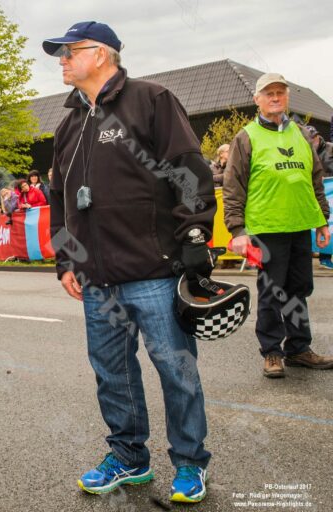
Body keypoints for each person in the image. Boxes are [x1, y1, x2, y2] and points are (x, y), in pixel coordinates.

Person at [43, 21, 217, 503]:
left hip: (154, 272)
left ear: (101, 54)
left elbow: (188, 171)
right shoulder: (68, 124)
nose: (62, 60)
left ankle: (190, 462)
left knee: (177, 371)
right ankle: (128, 458)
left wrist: (194, 236)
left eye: (70, 51)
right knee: (112, 375)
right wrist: (65, 260)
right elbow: (59, 199)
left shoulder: (151, 99)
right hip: (96, 278)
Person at [223, 73, 333, 379]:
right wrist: (237, 230)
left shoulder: (300, 133)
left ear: (287, 97)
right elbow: (233, 186)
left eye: (280, 93)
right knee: (272, 292)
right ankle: (272, 351)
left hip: (300, 224)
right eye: (269, 93)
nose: (275, 98)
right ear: (257, 99)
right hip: (266, 228)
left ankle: (299, 348)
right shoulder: (246, 137)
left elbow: (315, 179)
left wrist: (322, 221)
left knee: (298, 289)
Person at [306, 126, 333, 268]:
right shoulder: (305, 149)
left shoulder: (330, 148)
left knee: (327, 221)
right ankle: (311, 253)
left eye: (315, 137)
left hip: (328, 191)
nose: (314, 141)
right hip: (311, 190)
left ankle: (326, 255)